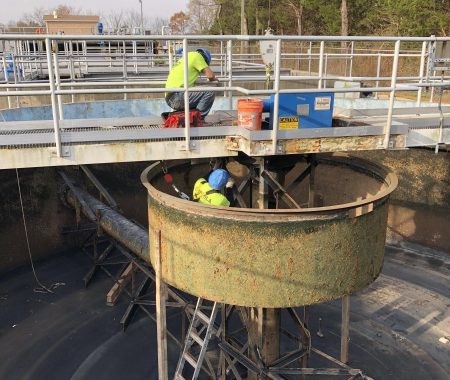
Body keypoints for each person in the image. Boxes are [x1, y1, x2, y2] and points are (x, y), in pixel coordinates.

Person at [165, 48, 217, 119]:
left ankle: (191, 119)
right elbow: (210, 75)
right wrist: (215, 79)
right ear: (205, 59)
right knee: (210, 91)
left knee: (198, 96)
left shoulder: (187, 57)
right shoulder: (197, 56)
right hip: (177, 96)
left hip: (170, 97)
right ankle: (198, 119)